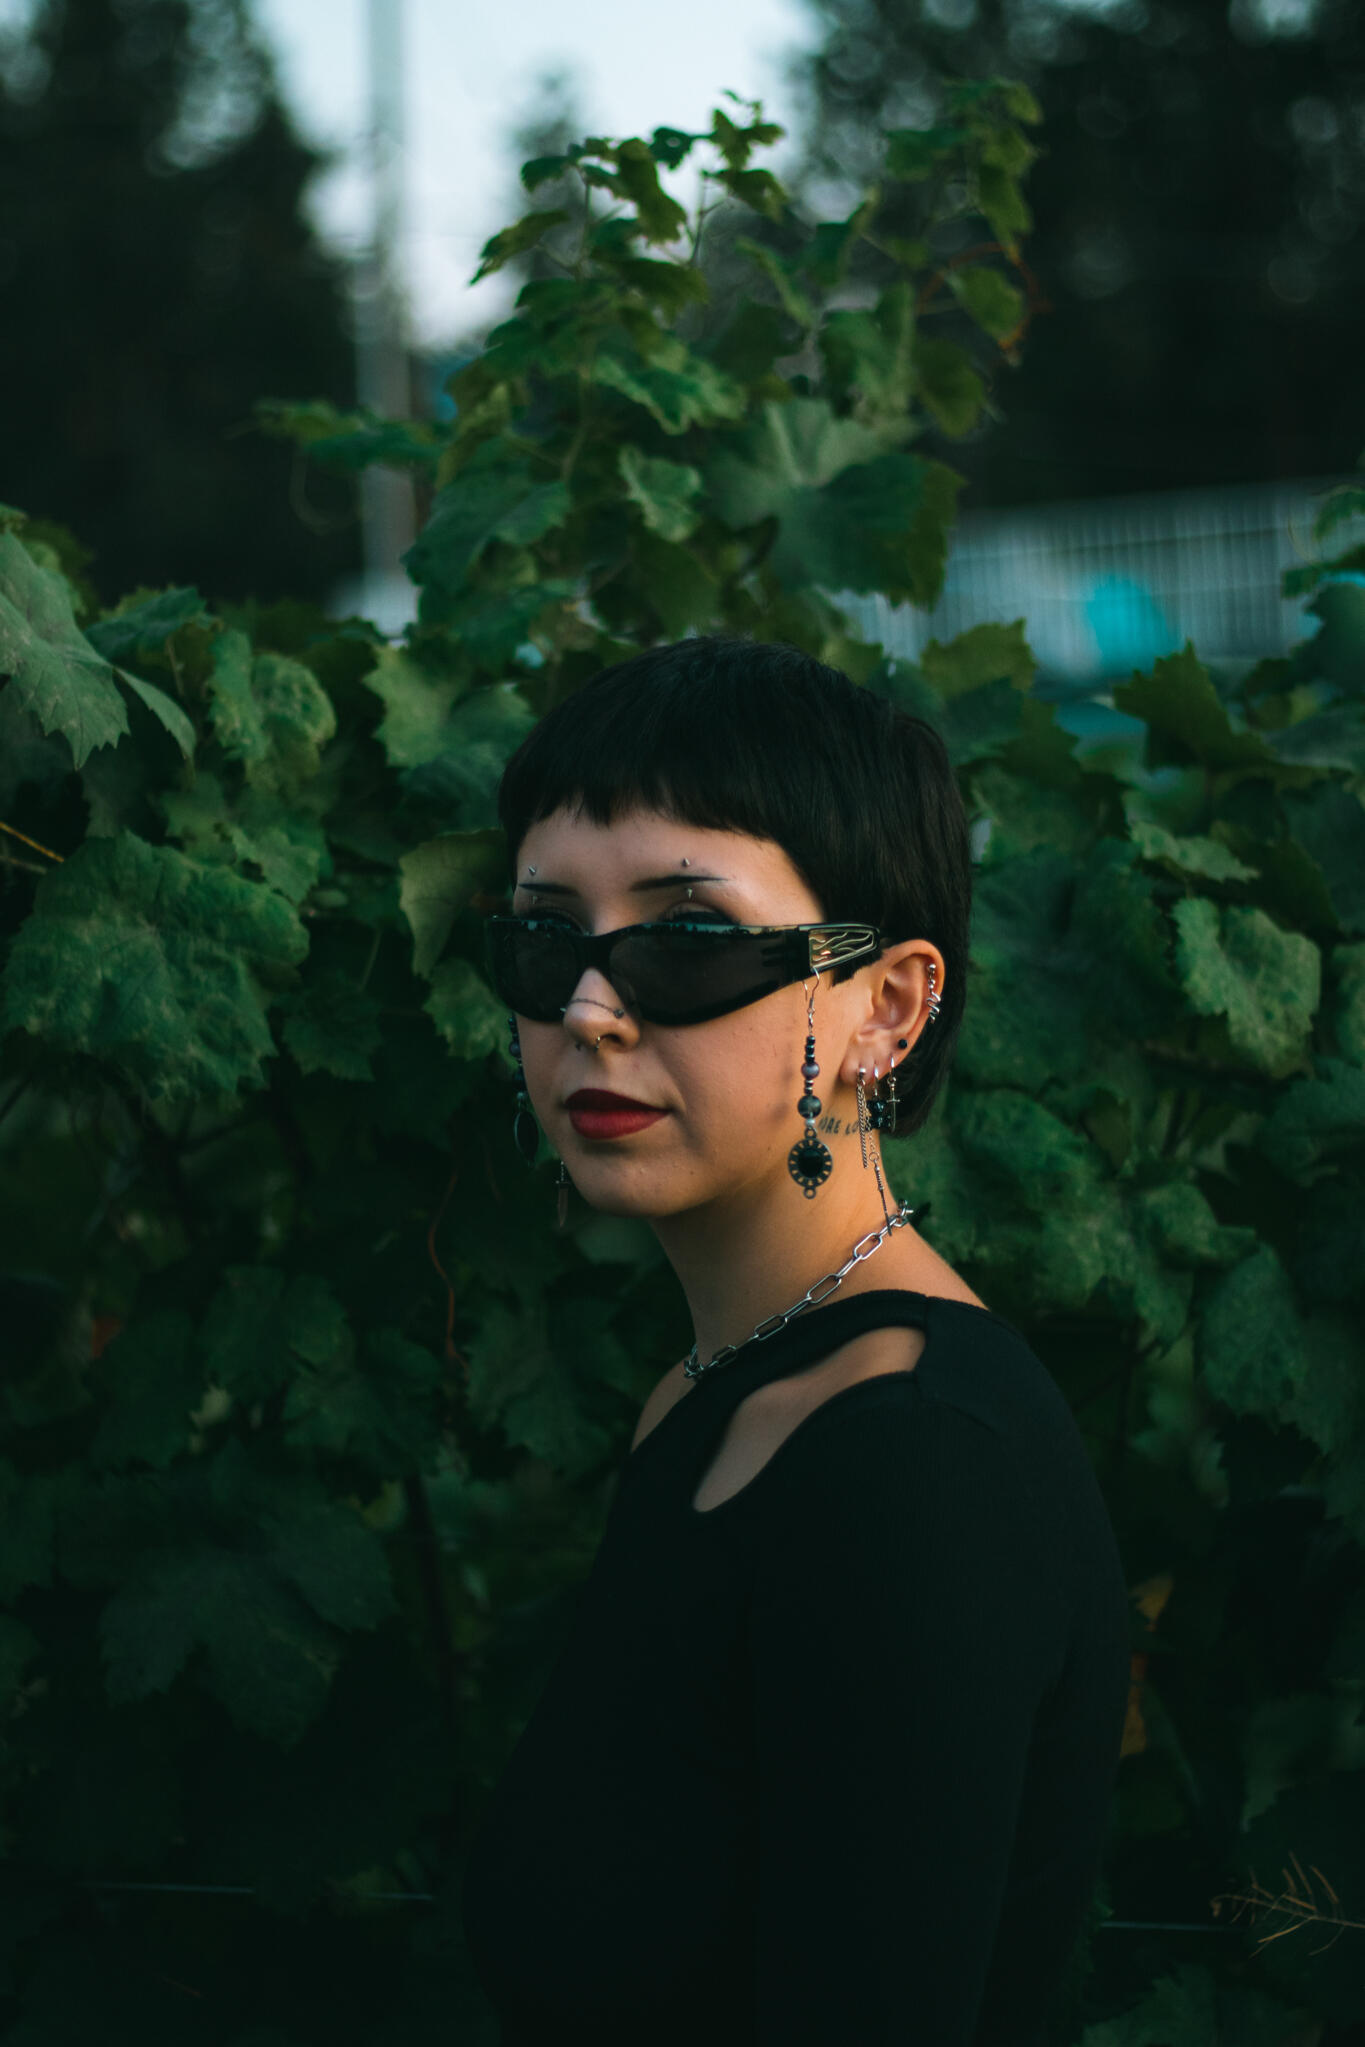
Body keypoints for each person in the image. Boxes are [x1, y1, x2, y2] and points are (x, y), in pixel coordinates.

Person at [459, 636, 1131, 2046]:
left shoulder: (906, 1463)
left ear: (886, 1005)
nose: (590, 1007)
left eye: (687, 940)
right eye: (542, 938)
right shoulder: (720, 1396)